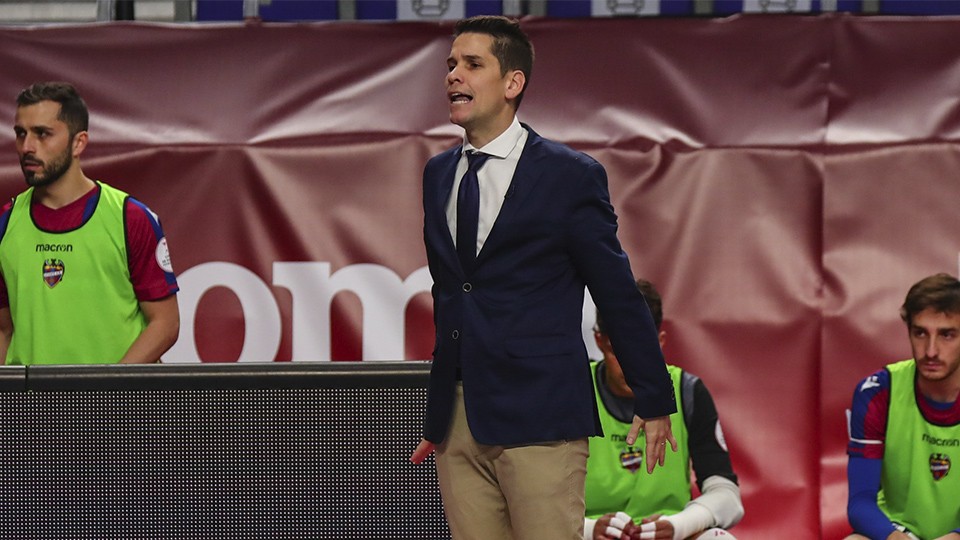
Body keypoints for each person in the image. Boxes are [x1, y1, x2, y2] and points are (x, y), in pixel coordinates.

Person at [410, 15, 678, 540]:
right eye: (450, 65)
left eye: (472, 64)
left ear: (513, 83)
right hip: (460, 422)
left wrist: (653, 396)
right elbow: (453, 295)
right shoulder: (438, 174)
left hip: (541, 416)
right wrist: (441, 415)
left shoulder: (568, 175)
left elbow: (616, 291)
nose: (453, 75)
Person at [0, 81, 179, 365]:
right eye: (21, 134)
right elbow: (4, 330)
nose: (27, 147)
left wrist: (107, 393)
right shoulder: (6, 223)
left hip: (114, 407)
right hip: (32, 408)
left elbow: (165, 325)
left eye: (42, 134)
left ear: (78, 142)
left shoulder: (130, 218)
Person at [584, 279, 743, 540]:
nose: (630, 365)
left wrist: (679, 525)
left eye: (641, 350)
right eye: (617, 351)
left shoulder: (687, 391)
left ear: (660, 342)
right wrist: (588, 530)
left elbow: (726, 494)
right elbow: (536, 498)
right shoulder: (573, 390)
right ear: (599, 341)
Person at [846, 273, 960, 540]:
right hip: (900, 533)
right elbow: (860, 503)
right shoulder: (878, 392)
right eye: (920, 333)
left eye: (947, 335)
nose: (931, 351)